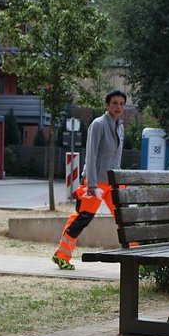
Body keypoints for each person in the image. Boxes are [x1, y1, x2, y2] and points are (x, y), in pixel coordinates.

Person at [52, 90, 127, 270]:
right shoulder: (98, 124)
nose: (118, 107)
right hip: (96, 182)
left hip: (113, 181)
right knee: (82, 218)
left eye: (121, 104)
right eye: (114, 103)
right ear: (107, 105)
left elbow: (116, 157)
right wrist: (91, 184)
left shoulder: (120, 126)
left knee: (126, 219)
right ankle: (61, 256)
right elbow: (91, 155)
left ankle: (138, 259)